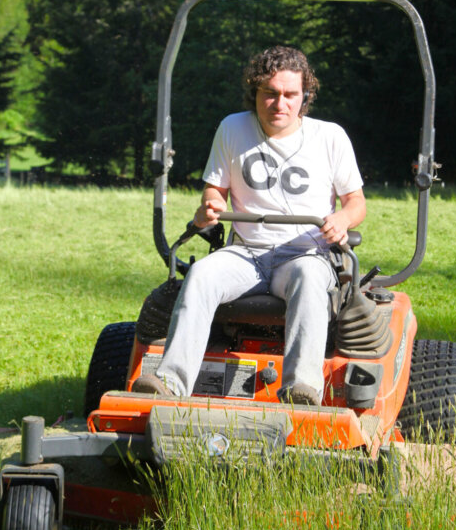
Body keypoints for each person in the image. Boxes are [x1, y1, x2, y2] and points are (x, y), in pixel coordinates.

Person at [133, 45, 366, 405]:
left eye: (290, 95)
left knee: (310, 278)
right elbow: (215, 190)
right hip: (246, 253)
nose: (280, 104)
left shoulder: (330, 137)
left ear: (304, 97)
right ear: (255, 92)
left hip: (303, 253)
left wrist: (341, 219)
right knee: (201, 276)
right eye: (270, 94)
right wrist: (210, 206)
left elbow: (356, 203)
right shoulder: (232, 128)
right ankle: (170, 381)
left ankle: (301, 389)